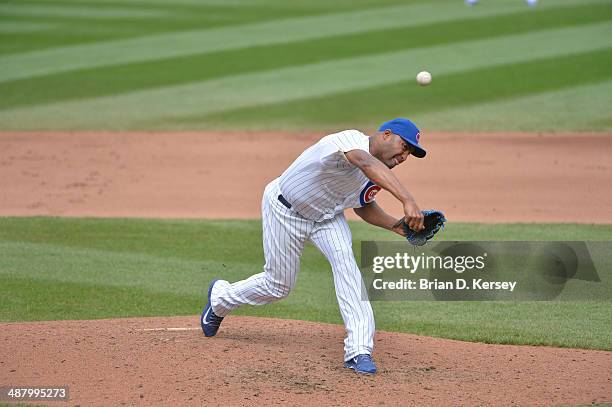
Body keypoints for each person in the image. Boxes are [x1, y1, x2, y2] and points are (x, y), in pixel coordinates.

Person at [201, 118, 427, 375]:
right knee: (278, 286)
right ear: (386, 134)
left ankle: (358, 350)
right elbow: (364, 161)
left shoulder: (378, 174)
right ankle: (220, 298)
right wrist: (407, 199)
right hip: (284, 209)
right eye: (404, 146)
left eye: (410, 152)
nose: (405, 156)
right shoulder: (351, 140)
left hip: (326, 219)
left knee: (347, 267)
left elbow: (363, 205)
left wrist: (394, 225)